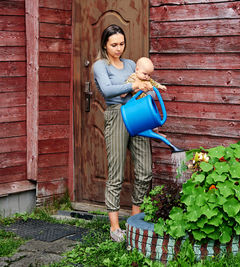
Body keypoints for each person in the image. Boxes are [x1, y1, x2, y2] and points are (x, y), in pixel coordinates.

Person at [92, 24, 156, 242]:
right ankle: (115, 227)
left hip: (137, 114)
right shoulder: (100, 66)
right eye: (114, 45)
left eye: (121, 44)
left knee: (145, 170)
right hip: (116, 116)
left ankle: (135, 220)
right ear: (105, 45)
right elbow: (108, 91)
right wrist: (131, 87)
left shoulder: (130, 64)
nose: (119, 48)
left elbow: (143, 84)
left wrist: (137, 89)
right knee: (116, 172)